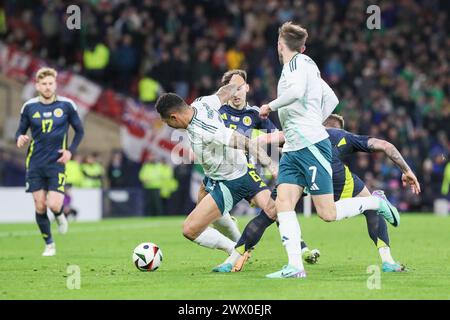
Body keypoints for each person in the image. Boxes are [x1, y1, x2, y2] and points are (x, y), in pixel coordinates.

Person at [258, 22, 399, 278]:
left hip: (310, 145)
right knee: (283, 202)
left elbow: (298, 92)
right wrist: (314, 117)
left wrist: (270, 105)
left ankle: (375, 202)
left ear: (280, 45)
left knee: (327, 213)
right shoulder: (309, 65)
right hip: (292, 147)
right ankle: (294, 266)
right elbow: (332, 98)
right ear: (302, 45)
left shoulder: (296, 65)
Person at [222, 114, 421, 273]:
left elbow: (265, 139)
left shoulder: (301, 132)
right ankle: (387, 259)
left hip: (303, 176)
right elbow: (386, 145)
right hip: (335, 180)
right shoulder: (344, 136)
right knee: (369, 208)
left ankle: (232, 261)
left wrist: (237, 144)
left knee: (268, 214)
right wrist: (407, 170)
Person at [155, 83, 297, 275]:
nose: (168, 126)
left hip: (231, 181)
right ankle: (240, 246)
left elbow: (245, 142)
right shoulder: (201, 103)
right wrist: (236, 85)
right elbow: (222, 93)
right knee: (211, 212)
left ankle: (235, 250)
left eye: (166, 122)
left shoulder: (206, 129)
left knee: (190, 229)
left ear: (174, 117)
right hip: (216, 176)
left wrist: (272, 167)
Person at [218, 69, 320, 265]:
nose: (236, 93)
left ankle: (301, 249)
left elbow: (279, 138)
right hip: (219, 174)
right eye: (232, 89)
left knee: (274, 208)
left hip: (246, 174)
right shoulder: (218, 113)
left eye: (240, 88)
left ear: (247, 88)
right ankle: (232, 240)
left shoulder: (255, 114)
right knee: (195, 227)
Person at [15, 67, 84, 256]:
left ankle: (60, 215)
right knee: (40, 206)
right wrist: (20, 137)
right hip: (35, 163)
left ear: (55, 84)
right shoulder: (29, 107)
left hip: (56, 163)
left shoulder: (67, 105)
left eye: (50, 83)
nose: (47, 87)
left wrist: (70, 151)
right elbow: (20, 130)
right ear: (37, 85)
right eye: (43, 84)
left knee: (53, 204)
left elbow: (80, 131)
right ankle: (49, 244)